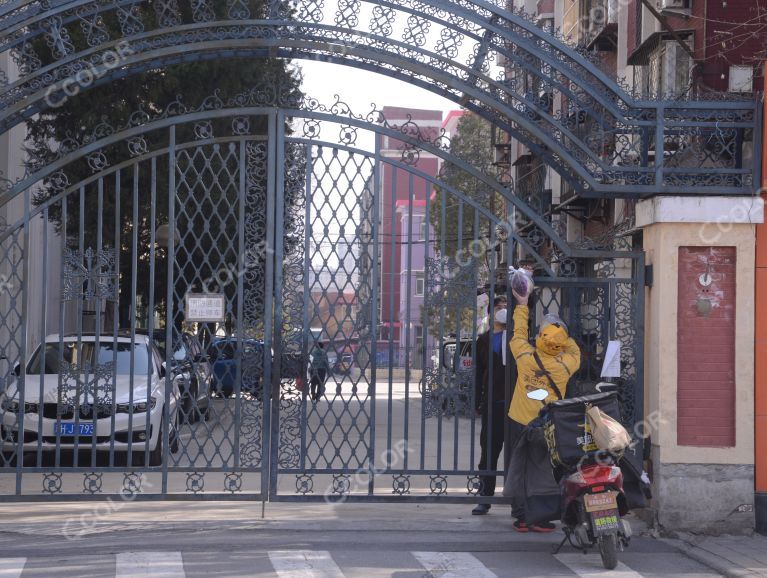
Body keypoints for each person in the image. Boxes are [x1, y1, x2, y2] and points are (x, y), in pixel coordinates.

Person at [507, 287, 580, 532]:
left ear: (538, 338)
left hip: (519, 420)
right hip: (545, 425)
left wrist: (522, 303)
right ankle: (538, 516)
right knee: (541, 469)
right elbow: (574, 351)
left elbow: (518, 333)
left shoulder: (525, 356)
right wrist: (560, 333)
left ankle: (521, 517)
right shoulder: (565, 366)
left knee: (518, 468)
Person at [471, 296, 518, 515]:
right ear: (491, 314)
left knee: (519, 453)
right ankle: (485, 497)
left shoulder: (519, 338)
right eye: (499, 308)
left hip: (517, 405)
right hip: (493, 402)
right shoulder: (484, 340)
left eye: (506, 308)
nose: (503, 311)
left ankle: (519, 504)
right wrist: (476, 401)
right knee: (489, 452)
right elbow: (478, 373)